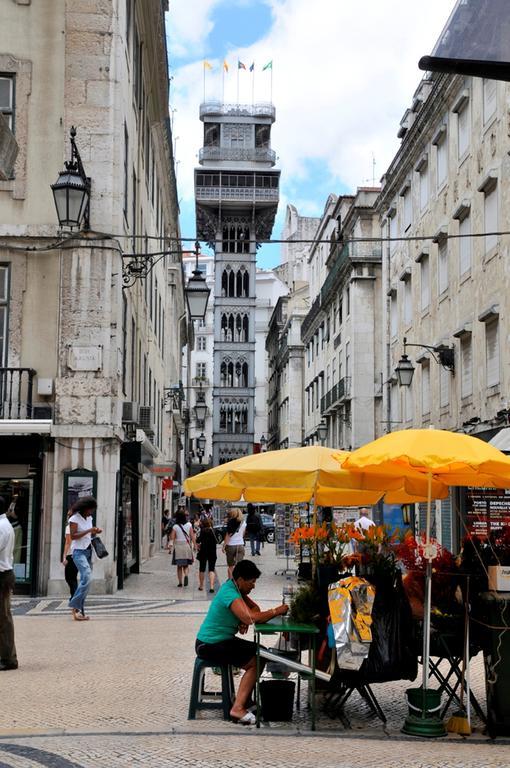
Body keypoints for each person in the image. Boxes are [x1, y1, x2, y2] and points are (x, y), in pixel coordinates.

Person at [195, 559, 288, 724]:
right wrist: (276, 611)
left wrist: (244, 619)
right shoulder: (229, 592)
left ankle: (246, 700)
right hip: (209, 644)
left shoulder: (236, 590)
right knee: (256, 658)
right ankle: (237, 708)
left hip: (222, 641)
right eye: (251, 582)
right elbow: (251, 617)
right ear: (240, 580)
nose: (253, 586)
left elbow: (254, 611)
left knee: (261, 652)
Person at [68, 496, 102, 621]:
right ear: (85, 508)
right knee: (87, 577)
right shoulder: (74, 519)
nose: (91, 512)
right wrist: (89, 530)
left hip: (89, 551)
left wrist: (95, 531)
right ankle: (75, 606)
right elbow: (73, 536)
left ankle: (80, 611)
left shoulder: (89, 518)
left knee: (85, 582)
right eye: (90, 509)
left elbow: (88, 535)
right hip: (78, 552)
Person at [0, 496, 18, 671]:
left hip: (2, 575)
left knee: (3, 618)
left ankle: (8, 659)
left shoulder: (2, 527)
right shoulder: (5, 525)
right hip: (4, 574)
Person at [169, 509, 196, 587]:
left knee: (179, 566)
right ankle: (186, 575)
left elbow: (172, 538)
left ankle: (180, 582)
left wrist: (170, 545)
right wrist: (195, 545)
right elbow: (192, 536)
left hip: (178, 548)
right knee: (186, 565)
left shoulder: (175, 526)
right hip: (187, 546)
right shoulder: (189, 525)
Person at [223, 507, 247, 579]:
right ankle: (238, 580)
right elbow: (243, 534)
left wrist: (224, 546)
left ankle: (231, 581)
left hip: (231, 546)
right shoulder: (244, 523)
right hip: (240, 545)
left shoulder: (231, 522)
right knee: (238, 565)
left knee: (230, 566)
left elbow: (228, 535)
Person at [196, 518, 217, 593]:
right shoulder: (214, 531)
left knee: (202, 569)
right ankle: (211, 586)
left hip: (203, 552)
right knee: (211, 569)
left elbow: (198, 540)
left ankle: (201, 586)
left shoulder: (202, 531)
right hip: (212, 552)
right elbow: (217, 540)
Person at [62, 509, 78, 598]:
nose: (67, 516)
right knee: (73, 577)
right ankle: (74, 596)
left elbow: (68, 542)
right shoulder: (78, 526)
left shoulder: (69, 527)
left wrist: (64, 557)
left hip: (71, 555)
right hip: (78, 554)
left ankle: (75, 596)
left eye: (68, 515)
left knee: (69, 578)